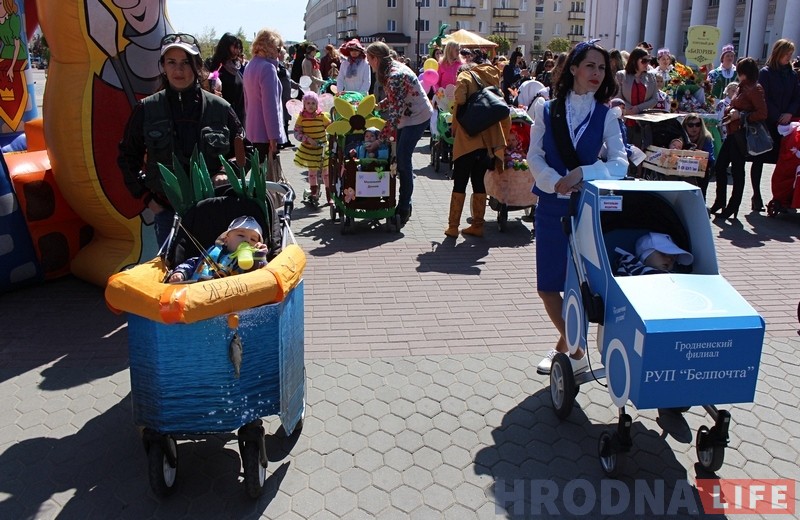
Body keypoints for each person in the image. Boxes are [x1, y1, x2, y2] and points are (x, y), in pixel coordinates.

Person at [527, 39, 627, 375]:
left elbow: (620, 163)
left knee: (583, 283)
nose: (597, 73)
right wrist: (552, 178)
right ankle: (575, 347)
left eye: (602, 68)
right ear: (573, 69)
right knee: (547, 286)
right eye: (590, 66)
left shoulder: (607, 114)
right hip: (551, 206)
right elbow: (534, 154)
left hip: (588, 210)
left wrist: (582, 173)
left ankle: (565, 348)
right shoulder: (545, 108)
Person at [118, 33, 244, 246]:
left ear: (197, 65)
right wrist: (147, 198)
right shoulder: (146, 109)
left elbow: (244, 151)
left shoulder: (220, 108)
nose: (179, 70)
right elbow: (127, 156)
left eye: (186, 62)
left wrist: (225, 173)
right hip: (167, 213)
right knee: (174, 274)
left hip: (213, 210)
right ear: (163, 67)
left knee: (214, 273)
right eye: (172, 62)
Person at [366, 41, 433, 226]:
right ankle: (402, 201)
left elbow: (394, 117)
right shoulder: (390, 69)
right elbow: (398, 97)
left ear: (376, 59)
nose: (368, 63)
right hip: (409, 114)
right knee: (400, 158)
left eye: (369, 59)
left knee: (403, 160)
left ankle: (404, 206)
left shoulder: (394, 74)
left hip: (417, 117)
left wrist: (379, 140)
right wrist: (381, 105)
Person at [446, 53, 511, 238]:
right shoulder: (492, 77)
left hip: (467, 140)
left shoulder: (465, 76)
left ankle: (453, 227)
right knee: (478, 183)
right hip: (487, 143)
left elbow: (459, 98)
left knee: (460, 182)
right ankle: (477, 225)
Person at [708, 57, 768, 220]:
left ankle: (733, 206)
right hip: (733, 133)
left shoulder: (755, 88)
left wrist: (741, 116)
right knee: (720, 167)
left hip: (742, 134)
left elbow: (762, 113)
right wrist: (730, 108)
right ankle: (721, 201)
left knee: (737, 170)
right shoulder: (743, 87)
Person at [753, 39, 800, 212]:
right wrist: (777, 115)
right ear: (778, 53)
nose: (789, 57)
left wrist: (788, 113)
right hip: (768, 122)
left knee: (785, 161)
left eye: (791, 54)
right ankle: (756, 195)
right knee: (759, 159)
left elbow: (797, 97)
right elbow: (763, 97)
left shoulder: (792, 74)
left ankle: (780, 196)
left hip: (787, 124)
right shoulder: (765, 73)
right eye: (787, 54)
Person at [167, 216, 268, 282]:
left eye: (253, 239)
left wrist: (260, 257)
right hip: (196, 291)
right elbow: (193, 263)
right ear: (226, 240)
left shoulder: (253, 261)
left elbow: (261, 275)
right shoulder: (213, 252)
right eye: (241, 235)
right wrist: (180, 273)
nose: (247, 241)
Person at [243, 29, 286, 163]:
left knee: (259, 175)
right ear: (271, 47)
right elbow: (270, 106)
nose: (279, 52)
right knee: (268, 180)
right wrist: (273, 138)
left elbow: (247, 102)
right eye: (278, 48)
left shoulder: (250, 65)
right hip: (266, 134)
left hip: (252, 130)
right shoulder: (267, 68)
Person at [615, 47, 659, 153]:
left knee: (641, 153)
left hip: (644, 123)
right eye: (644, 61)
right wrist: (629, 108)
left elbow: (654, 99)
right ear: (634, 61)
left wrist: (638, 108)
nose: (646, 63)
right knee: (624, 152)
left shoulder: (651, 77)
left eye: (648, 60)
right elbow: (617, 97)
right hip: (625, 120)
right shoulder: (621, 75)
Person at [294, 91, 331, 204]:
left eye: (313, 103)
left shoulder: (321, 116)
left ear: (317, 105)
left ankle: (330, 196)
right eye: (308, 103)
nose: (310, 106)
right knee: (312, 173)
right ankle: (313, 193)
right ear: (304, 104)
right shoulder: (301, 117)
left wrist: (331, 134)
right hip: (309, 150)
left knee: (326, 173)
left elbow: (330, 127)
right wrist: (306, 138)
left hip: (322, 149)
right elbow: (297, 132)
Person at [205, 33, 245, 126]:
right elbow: (208, 87)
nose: (237, 51)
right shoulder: (215, 66)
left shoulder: (236, 68)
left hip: (239, 117)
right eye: (235, 47)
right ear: (226, 47)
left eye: (239, 48)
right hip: (222, 118)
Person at [615, 232, 693, 276]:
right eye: (663, 254)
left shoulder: (676, 275)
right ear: (645, 256)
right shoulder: (630, 268)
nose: (670, 259)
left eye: (674, 258)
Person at [682, 113, 716, 197]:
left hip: (701, 171)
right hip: (682, 170)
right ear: (685, 126)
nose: (694, 128)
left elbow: (710, 158)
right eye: (690, 125)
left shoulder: (706, 138)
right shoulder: (681, 138)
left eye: (697, 124)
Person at [277, 47, 300, 148]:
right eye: (283, 54)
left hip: (286, 96)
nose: (284, 55)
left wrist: (296, 85)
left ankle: (286, 140)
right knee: (282, 119)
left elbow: (288, 80)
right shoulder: (277, 66)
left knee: (286, 119)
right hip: (281, 97)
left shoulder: (282, 65)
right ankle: (282, 141)